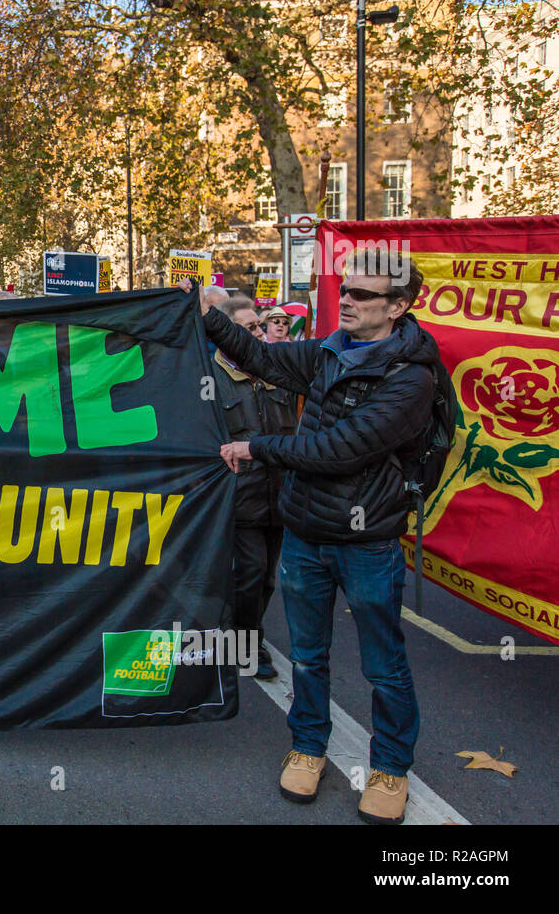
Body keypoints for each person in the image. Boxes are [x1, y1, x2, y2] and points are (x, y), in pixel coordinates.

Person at [181, 252, 438, 825]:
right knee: (307, 656)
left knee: (383, 665)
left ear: (399, 307)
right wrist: (207, 314)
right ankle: (308, 747)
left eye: (363, 295)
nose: (346, 300)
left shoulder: (413, 377)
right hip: (305, 535)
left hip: (367, 541)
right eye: (345, 289)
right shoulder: (326, 352)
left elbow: (340, 449)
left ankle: (390, 767)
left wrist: (257, 448)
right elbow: (261, 357)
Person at [213, 298, 295, 680]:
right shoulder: (208, 377)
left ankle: (241, 634)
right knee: (249, 572)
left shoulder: (275, 372)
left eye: (259, 327)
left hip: (278, 496)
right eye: (249, 329)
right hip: (237, 498)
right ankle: (247, 644)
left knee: (264, 578)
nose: (260, 334)